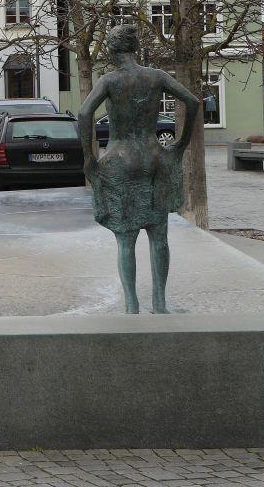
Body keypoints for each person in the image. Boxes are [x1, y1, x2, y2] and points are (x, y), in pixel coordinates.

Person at [77, 24, 199, 314]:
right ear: (134, 48)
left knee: (126, 239)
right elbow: (193, 101)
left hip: (122, 158)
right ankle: (160, 302)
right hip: (154, 156)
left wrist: (88, 156)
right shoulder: (156, 76)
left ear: (111, 48)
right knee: (159, 236)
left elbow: (84, 113)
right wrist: (181, 143)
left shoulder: (110, 80)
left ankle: (132, 304)